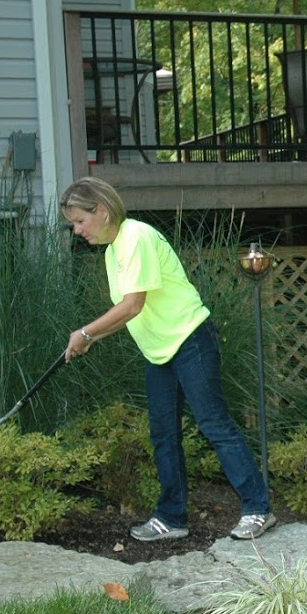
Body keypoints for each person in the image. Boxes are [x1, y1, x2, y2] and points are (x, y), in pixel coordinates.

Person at [59, 176, 274, 544]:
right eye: (73, 224)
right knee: (163, 434)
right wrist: (90, 339)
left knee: (215, 425)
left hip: (190, 340)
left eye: (80, 221)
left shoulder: (136, 237)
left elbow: (132, 304)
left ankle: (258, 509)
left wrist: (87, 333)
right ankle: (172, 517)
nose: (77, 230)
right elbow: (125, 311)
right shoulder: (113, 252)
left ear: (103, 211)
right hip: (159, 351)